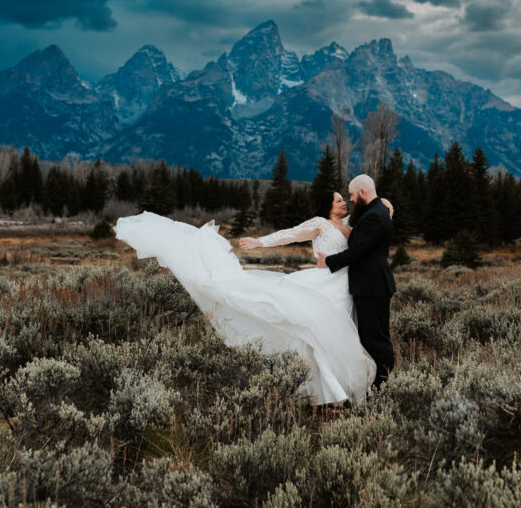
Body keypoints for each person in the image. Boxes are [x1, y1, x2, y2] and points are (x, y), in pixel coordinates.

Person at [114, 189, 377, 406]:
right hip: (322, 284)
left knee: (337, 337)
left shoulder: (351, 227)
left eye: (345, 199)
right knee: (313, 334)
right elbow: (289, 234)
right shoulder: (320, 224)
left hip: (343, 286)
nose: (344, 202)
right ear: (328, 206)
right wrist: (259, 242)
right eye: (339, 199)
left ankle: (338, 390)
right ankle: (326, 395)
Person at [316, 174, 395, 388]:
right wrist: (385, 201)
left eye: (351, 195)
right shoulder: (374, 211)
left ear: (362, 193)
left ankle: (382, 387)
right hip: (369, 285)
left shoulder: (374, 216)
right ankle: (374, 385)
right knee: (369, 338)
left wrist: (328, 261)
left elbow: (358, 251)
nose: (349, 200)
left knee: (377, 340)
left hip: (373, 285)